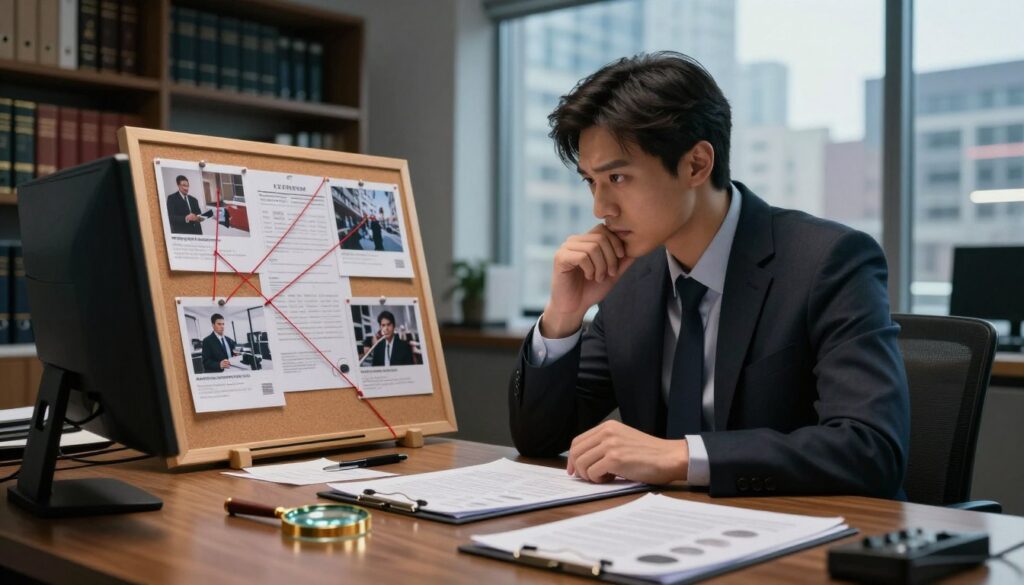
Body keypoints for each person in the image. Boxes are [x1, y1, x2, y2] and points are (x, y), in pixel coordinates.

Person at [508, 52, 909, 498]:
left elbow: (870, 448)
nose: (600, 209)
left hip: (797, 540)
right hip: (660, 541)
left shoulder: (827, 261)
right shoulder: (630, 280)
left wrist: (681, 456)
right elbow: (540, 441)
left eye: (617, 178)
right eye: (591, 181)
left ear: (697, 164)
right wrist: (564, 314)